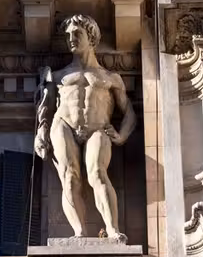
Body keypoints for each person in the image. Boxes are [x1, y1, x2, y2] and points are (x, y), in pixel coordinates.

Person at [34, 14, 135, 243]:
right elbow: (45, 109)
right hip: (64, 125)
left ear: (91, 37)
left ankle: (112, 230)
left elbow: (129, 113)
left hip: (99, 129)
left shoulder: (110, 78)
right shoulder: (58, 76)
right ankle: (78, 233)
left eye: (76, 34)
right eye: (68, 35)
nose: (71, 39)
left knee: (97, 173)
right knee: (69, 177)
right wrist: (41, 133)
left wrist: (121, 136)